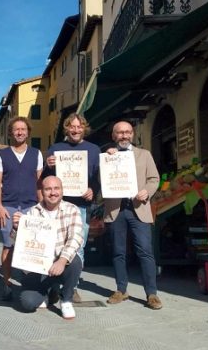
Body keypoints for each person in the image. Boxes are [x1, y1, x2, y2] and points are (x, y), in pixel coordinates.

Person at [41, 114, 100, 303]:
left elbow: (99, 178)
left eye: (79, 126)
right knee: (53, 244)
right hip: (56, 206)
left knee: (78, 246)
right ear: (66, 129)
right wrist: (48, 167)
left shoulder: (94, 149)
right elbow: (45, 179)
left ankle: (72, 287)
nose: (75, 130)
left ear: (84, 128)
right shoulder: (55, 149)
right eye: (72, 127)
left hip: (81, 205)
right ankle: (53, 286)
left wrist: (93, 190)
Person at [104, 121, 162, 310]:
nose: (124, 135)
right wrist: (108, 159)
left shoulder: (144, 155)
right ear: (114, 136)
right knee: (118, 252)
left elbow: (154, 178)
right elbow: (100, 180)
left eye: (127, 132)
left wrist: (147, 191)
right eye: (120, 132)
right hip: (116, 209)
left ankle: (152, 294)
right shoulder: (107, 156)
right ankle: (121, 290)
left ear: (132, 134)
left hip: (139, 208)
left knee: (145, 251)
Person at [12, 176, 84, 320]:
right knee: (27, 304)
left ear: (62, 191)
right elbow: (18, 244)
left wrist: (62, 261)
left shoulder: (72, 209)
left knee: (75, 260)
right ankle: (46, 292)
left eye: (56, 188)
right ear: (42, 192)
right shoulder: (32, 212)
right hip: (38, 269)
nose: (53, 192)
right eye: (48, 189)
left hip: (60, 264)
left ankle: (66, 299)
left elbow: (76, 238)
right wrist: (16, 229)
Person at [0, 116, 43, 300]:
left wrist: (42, 208)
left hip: (31, 206)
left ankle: (29, 284)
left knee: (32, 247)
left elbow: (39, 183)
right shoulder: (2, 155)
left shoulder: (36, 154)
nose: (20, 132)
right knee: (9, 246)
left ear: (28, 132)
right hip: (9, 206)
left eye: (23, 129)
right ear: (11, 132)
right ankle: (6, 284)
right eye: (16, 129)